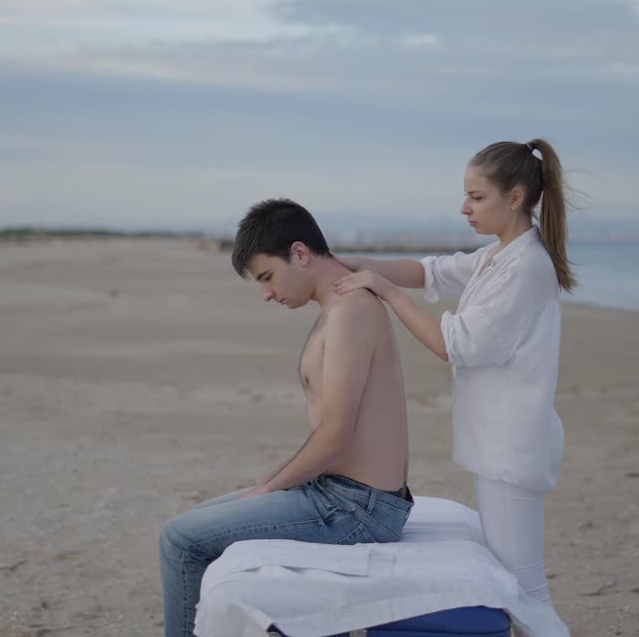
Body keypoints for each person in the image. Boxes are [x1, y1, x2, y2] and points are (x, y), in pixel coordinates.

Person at [334, 138, 575, 613]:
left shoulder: (525, 266)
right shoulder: (496, 256)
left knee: (523, 590)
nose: (465, 208)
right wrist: (348, 264)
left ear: (515, 197)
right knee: (514, 586)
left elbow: (454, 344)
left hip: (511, 447)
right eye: (465, 196)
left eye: (476, 197)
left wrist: (382, 290)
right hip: (497, 444)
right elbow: (432, 272)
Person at [159, 198, 414, 637]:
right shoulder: (338, 307)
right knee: (190, 525)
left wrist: (269, 488)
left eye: (267, 277)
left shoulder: (351, 312)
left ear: (299, 253)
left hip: (356, 510)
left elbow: (336, 435)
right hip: (336, 493)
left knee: (180, 542)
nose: (267, 294)